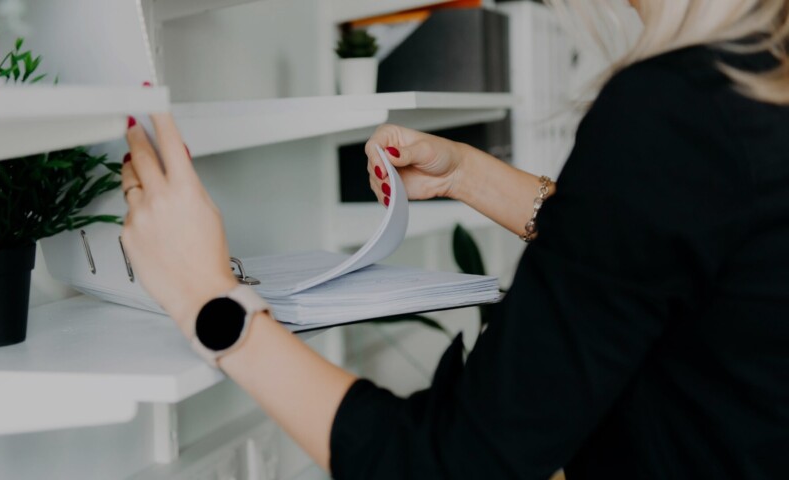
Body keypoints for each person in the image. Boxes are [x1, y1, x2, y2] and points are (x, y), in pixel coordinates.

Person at [118, 0, 789, 478]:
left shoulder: (676, 110)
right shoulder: (755, 85)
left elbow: (455, 465)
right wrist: (471, 175)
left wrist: (211, 302)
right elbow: (688, 253)